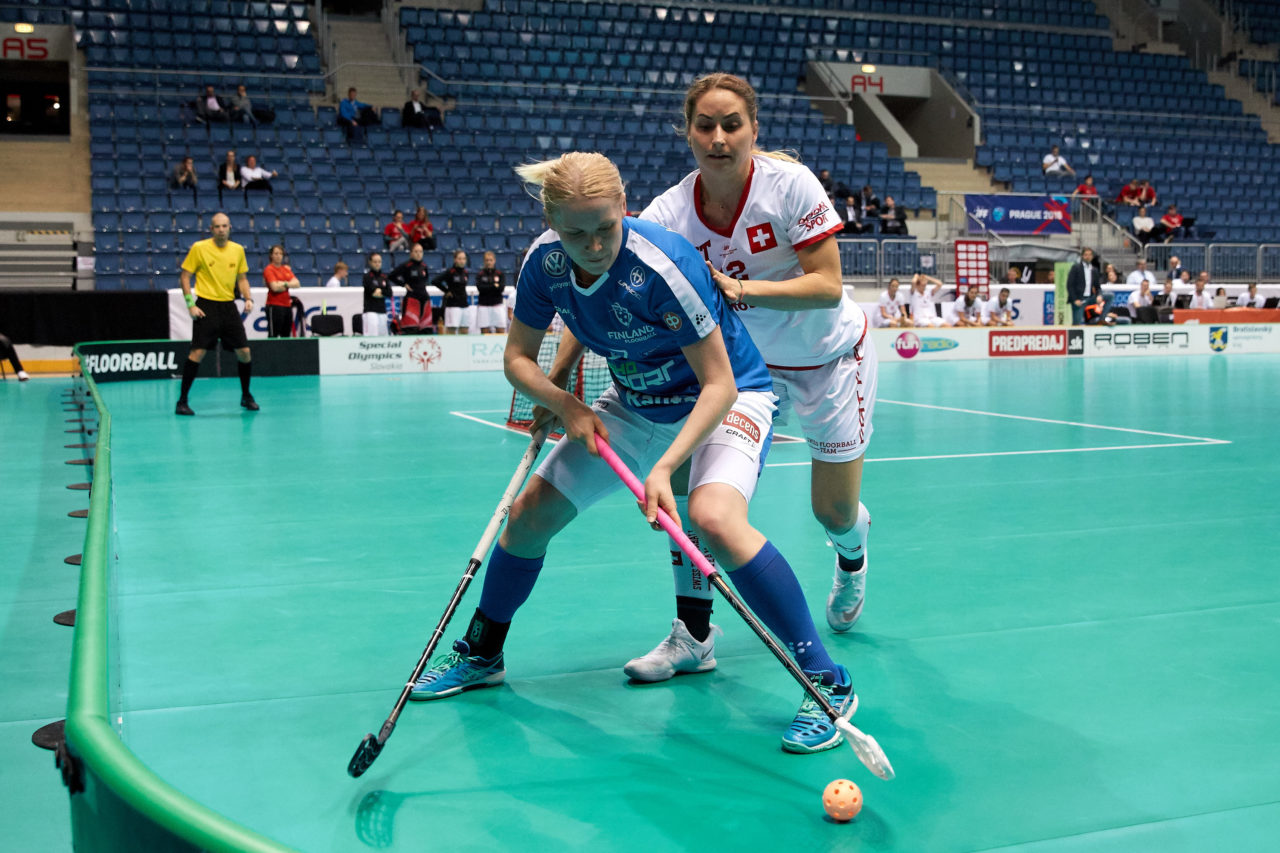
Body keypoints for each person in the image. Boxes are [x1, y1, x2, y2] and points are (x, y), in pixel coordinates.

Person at [409, 150, 860, 756]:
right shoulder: (544, 264)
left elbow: (722, 384)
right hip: (633, 404)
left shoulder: (662, 264)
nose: (592, 245)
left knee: (713, 520)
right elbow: (517, 359)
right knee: (528, 517)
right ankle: (483, 651)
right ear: (550, 221)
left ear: (624, 208)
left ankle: (827, 682)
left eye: (605, 228)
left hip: (725, 401)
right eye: (575, 232)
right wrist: (564, 399)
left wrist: (667, 467)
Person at [623, 73, 880, 686]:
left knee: (833, 510)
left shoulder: (789, 185)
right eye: (705, 125)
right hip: (745, 379)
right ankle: (694, 634)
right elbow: (621, 260)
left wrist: (744, 290)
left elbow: (828, 287)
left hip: (827, 359)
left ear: (753, 129)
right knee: (694, 496)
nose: (718, 137)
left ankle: (852, 553)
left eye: (731, 124)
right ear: (688, 132)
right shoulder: (670, 210)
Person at [175, 213, 257, 415]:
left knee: (244, 352)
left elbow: (242, 278)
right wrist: (190, 304)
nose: (221, 229)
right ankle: (182, 401)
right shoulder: (199, 248)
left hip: (228, 306)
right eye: (217, 226)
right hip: (206, 305)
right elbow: (185, 277)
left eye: (224, 226)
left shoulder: (238, 250)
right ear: (211, 229)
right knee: (197, 353)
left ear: (230, 228)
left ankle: (246, 396)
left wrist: (248, 298)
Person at [389, 242, 432, 331]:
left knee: (426, 329)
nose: (418, 254)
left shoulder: (424, 266)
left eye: (420, 251)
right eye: (416, 251)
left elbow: (426, 279)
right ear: (411, 253)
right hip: (412, 299)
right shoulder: (407, 265)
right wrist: (403, 284)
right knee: (410, 328)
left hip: (424, 299)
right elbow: (391, 276)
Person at [262, 245, 300, 338]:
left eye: (280, 253)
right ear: (271, 255)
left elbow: (297, 283)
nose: (278, 256)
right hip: (274, 305)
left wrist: (284, 284)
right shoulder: (269, 269)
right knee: (273, 334)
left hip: (287, 306)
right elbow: (274, 287)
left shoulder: (285, 269)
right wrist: (288, 284)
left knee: (286, 335)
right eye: (276, 253)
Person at [432, 249, 471, 334]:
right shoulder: (450, 272)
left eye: (464, 259)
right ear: (455, 260)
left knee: (465, 330)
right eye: (460, 258)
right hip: (453, 306)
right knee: (451, 331)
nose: (462, 261)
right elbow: (435, 281)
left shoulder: (466, 273)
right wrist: (446, 291)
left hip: (464, 305)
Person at [474, 250, 507, 333]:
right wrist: (494, 285)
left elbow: (501, 288)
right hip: (483, 306)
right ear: (484, 261)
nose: (489, 262)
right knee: (484, 331)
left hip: (497, 306)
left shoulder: (500, 274)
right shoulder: (480, 274)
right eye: (487, 260)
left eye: (491, 260)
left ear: (494, 261)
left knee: (501, 330)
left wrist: (488, 287)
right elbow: (480, 288)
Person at [361, 252, 391, 336]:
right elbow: (371, 291)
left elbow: (389, 292)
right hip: (370, 311)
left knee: (383, 336)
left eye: (379, 261)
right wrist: (382, 291)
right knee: (371, 337)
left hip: (382, 311)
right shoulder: (367, 277)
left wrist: (380, 291)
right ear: (370, 262)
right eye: (375, 262)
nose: (377, 264)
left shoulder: (384, 277)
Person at [1066, 246, 1097, 325]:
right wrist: (1075, 299)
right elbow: (1070, 285)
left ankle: (1103, 319)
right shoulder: (1076, 267)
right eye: (1086, 255)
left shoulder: (1094, 269)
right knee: (1077, 323)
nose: (1088, 257)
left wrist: (1099, 295)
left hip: (1090, 298)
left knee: (1109, 296)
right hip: (1079, 299)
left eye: (1090, 255)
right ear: (1082, 256)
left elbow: (1097, 286)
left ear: (1092, 256)